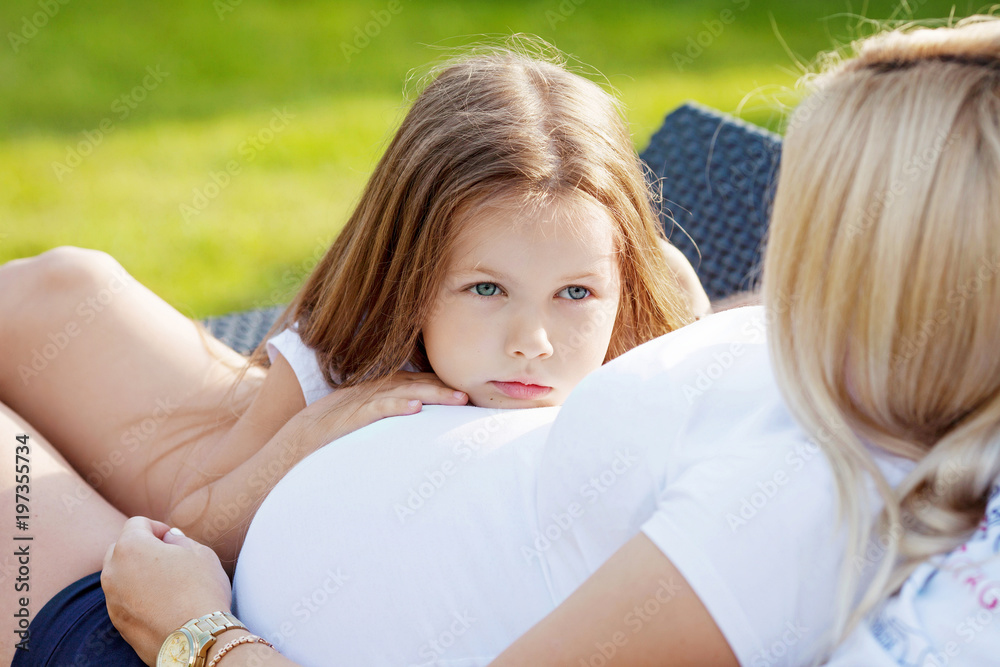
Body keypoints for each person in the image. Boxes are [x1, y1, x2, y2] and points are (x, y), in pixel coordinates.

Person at [95, 15, 1000, 667]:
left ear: (896, 269)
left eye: (814, 221)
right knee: (59, 294)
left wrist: (196, 635)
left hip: (198, 629)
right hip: (248, 559)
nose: (788, 261)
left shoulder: (797, 496)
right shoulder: (822, 372)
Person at [0, 44, 709, 666]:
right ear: (413, 280)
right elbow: (196, 528)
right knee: (62, 285)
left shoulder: (645, 316)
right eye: (487, 287)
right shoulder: (345, 359)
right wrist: (312, 431)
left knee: (63, 290)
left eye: (575, 293)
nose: (536, 339)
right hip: (232, 453)